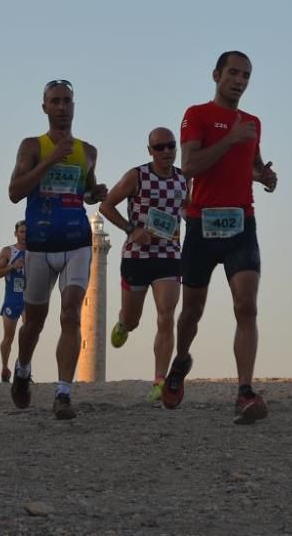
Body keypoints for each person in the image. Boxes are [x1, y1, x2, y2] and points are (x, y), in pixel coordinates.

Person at [163, 51, 278, 425]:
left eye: (246, 75)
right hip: (201, 225)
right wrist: (229, 140)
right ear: (216, 75)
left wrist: (265, 176)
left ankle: (244, 392)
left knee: (246, 306)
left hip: (242, 223)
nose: (240, 81)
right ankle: (181, 361)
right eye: (233, 73)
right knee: (192, 312)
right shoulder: (197, 115)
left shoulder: (252, 123)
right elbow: (191, 166)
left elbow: (253, 163)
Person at [7, 78, 108, 419]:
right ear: (45, 107)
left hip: (77, 242)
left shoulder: (88, 152)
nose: (62, 107)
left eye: (67, 101)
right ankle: (22, 370)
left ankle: (63, 392)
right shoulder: (32, 146)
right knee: (33, 323)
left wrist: (98, 194)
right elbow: (15, 191)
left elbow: (86, 191)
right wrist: (50, 161)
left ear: (74, 106)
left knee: (70, 313)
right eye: (55, 101)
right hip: (39, 245)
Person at [99, 127, 189, 402]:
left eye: (170, 146)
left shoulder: (183, 179)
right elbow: (106, 206)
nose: (166, 152)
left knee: (166, 316)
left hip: (169, 256)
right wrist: (130, 229)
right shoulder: (136, 176)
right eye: (159, 147)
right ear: (149, 150)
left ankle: (159, 380)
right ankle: (123, 324)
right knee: (133, 319)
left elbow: (186, 208)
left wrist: (193, 222)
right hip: (137, 256)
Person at [0, 220, 27, 383]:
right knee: (8, 337)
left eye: (27, 231)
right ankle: (5, 367)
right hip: (12, 297)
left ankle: (24, 369)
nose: (24, 235)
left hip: (29, 298)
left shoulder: (36, 251)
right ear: (16, 233)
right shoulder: (8, 251)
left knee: (28, 334)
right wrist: (12, 267)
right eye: (21, 231)